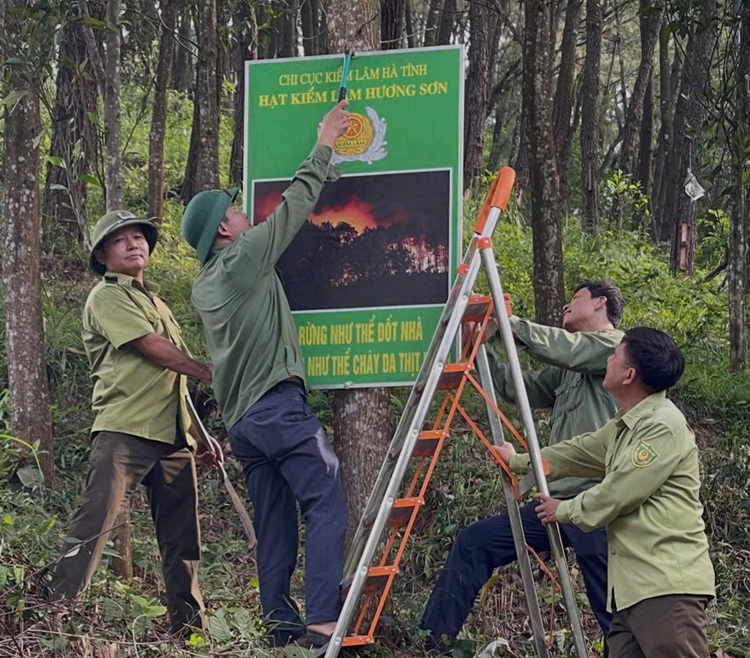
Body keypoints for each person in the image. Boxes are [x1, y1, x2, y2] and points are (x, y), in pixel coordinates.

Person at [179, 100, 351, 650]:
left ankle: (279, 627)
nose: (242, 213)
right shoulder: (244, 257)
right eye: (233, 211)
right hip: (277, 410)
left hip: (244, 427)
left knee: (275, 527)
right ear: (223, 231)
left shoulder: (206, 283)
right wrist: (324, 142)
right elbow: (295, 207)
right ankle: (322, 622)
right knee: (326, 499)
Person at [421, 281, 625, 653]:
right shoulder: (570, 371)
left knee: (613, 609)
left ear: (600, 303)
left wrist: (505, 322)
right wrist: (481, 346)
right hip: (555, 502)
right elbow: (519, 387)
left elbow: (567, 349)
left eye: (575, 298)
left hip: (598, 503)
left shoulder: (616, 349)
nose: (565, 306)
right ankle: (432, 644)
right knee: (475, 542)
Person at [496, 327, 715, 658]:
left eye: (614, 355)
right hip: (631, 591)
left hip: (665, 586)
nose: (607, 360)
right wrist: (518, 462)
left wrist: (564, 509)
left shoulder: (662, 425)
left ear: (629, 375)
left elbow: (619, 492)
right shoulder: (624, 426)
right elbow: (577, 452)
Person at [48, 210, 218, 636]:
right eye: (120, 240)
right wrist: (211, 372)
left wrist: (197, 434)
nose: (133, 244)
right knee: (94, 523)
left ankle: (190, 631)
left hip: (172, 436)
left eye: (139, 237)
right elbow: (151, 347)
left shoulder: (157, 302)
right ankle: (54, 618)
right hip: (125, 428)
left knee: (183, 540)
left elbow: (173, 381)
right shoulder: (105, 296)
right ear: (102, 256)